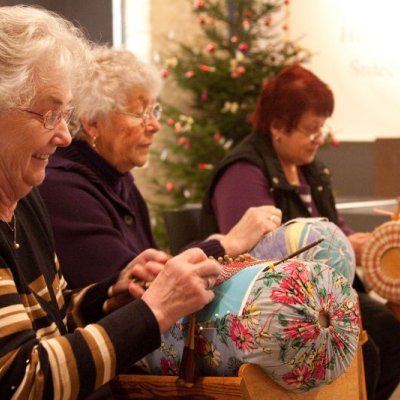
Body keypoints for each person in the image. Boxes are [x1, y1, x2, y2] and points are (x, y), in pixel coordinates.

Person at [0, 5, 222, 399]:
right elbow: (24, 380)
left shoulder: (27, 200)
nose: (65, 137)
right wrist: (154, 310)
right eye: (51, 114)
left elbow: (57, 317)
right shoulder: (52, 188)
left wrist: (112, 292)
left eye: (64, 115)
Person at [201, 64, 400, 400]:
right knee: (372, 340)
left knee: (388, 333)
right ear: (278, 126)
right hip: (272, 304)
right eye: (311, 130)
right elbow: (257, 256)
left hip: (320, 292)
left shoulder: (311, 169)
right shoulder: (243, 171)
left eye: (321, 128)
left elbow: (332, 223)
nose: (318, 138)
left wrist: (354, 243)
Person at [38, 46, 281, 288]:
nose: (154, 125)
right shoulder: (63, 186)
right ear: (92, 124)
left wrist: (215, 245)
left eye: (154, 110)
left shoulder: (118, 179)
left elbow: (153, 270)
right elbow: (137, 289)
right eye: (139, 113)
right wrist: (226, 244)